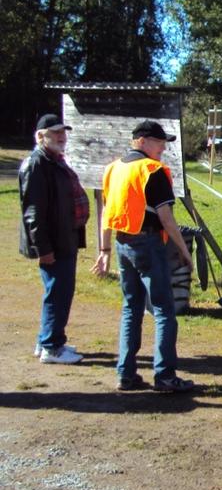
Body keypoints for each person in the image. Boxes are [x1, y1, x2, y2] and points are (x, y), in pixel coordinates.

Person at [91, 120, 197, 394]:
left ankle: (125, 374)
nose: (163, 148)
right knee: (164, 311)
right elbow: (166, 218)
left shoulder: (114, 169)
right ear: (142, 141)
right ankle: (165, 376)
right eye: (159, 142)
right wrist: (185, 252)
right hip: (148, 243)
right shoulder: (152, 170)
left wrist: (103, 250)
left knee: (131, 309)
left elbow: (106, 211)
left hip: (122, 242)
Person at [19, 114, 89, 364]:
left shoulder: (54, 161)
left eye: (63, 132)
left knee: (59, 292)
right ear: (40, 136)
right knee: (58, 293)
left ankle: (47, 339)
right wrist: (43, 248)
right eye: (55, 133)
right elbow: (33, 211)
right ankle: (52, 347)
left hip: (65, 238)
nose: (62, 137)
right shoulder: (36, 164)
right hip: (54, 243)